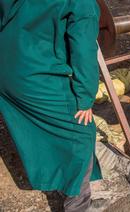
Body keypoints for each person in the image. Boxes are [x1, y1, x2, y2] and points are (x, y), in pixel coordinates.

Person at [0, 0, 101, 211]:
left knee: (44, 126)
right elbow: (83, 51)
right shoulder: (83, 3)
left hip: (7, 68)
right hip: (32, 75)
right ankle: (78, 205)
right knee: (80, 133)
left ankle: (59, 178)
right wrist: (85, 97)